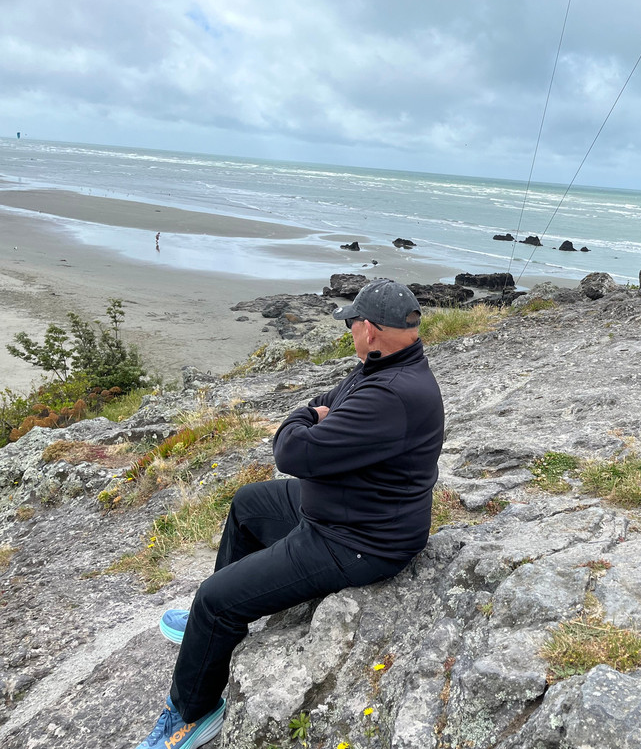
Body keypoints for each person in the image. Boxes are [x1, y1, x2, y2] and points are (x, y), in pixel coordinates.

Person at [135, 279, 444, 749]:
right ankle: (219, 634)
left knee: (213, 600)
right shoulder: (384, 366)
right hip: (344, 506)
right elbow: (329, 400)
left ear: (370, 330)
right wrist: (317, 413)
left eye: (351, 325)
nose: (349, 333)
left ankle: (193, 711)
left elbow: (293, 452)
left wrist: (302, 416)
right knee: (248, 505)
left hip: (357, 540)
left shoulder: (392, 395)